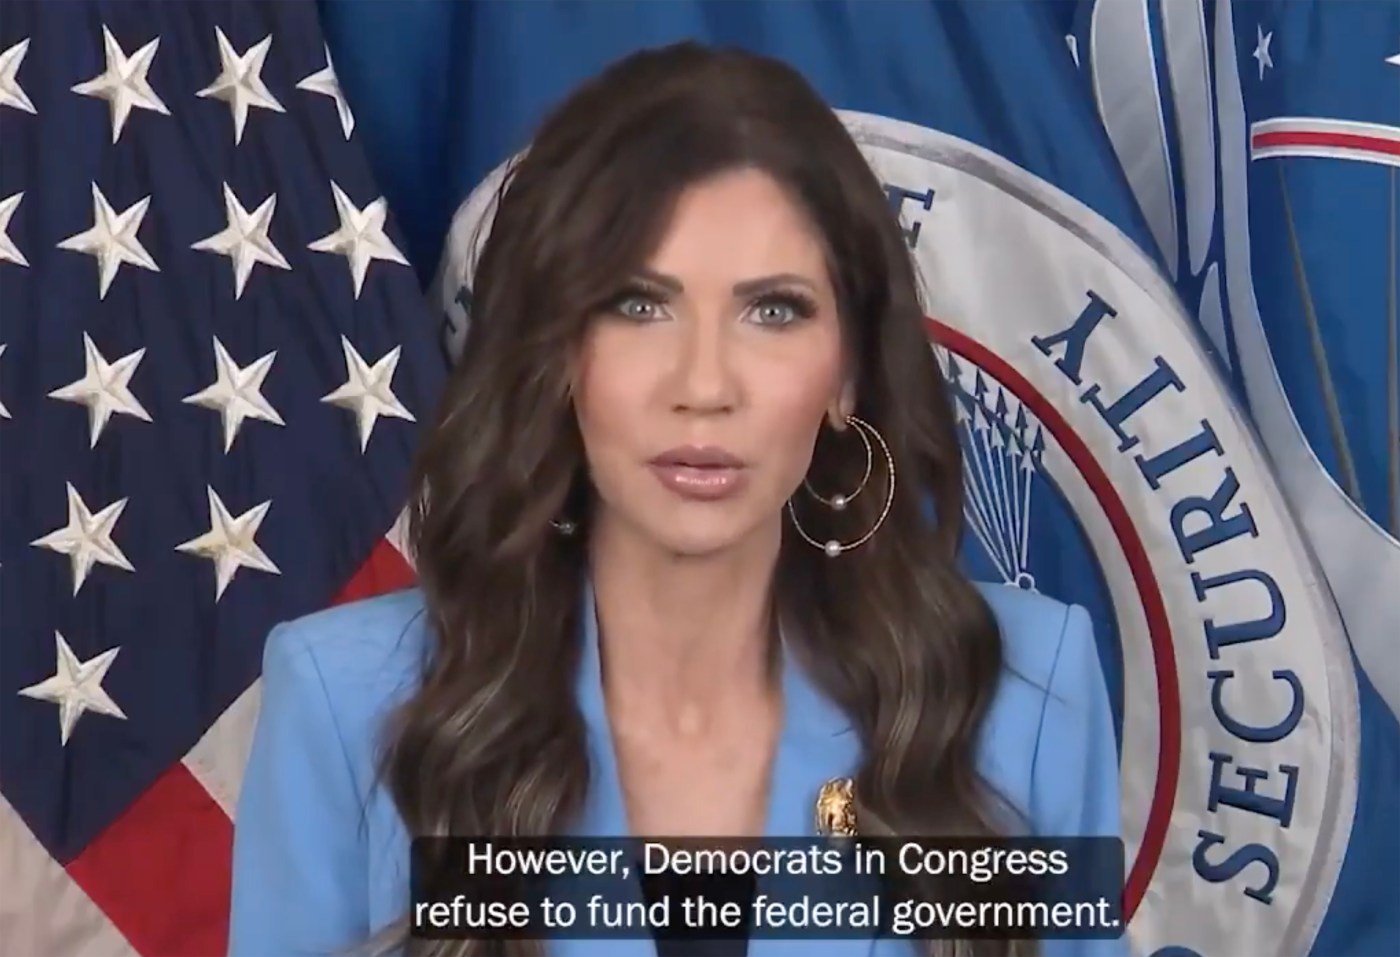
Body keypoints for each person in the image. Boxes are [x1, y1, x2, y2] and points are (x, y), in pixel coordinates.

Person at [228, 41, 1124, 957]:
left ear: (849, 371)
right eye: (638, 305)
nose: (703, 385)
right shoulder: (344, 702)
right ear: (557, 354)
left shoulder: (1024, 697)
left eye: (773, 310)